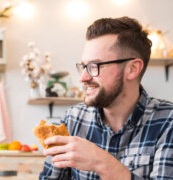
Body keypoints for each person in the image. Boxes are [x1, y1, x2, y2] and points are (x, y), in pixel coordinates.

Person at [40, 16, 173, 179]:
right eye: (83, 66)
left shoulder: (168, 122)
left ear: (132, 69)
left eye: (94, 66)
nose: (83, 78)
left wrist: (101, 162)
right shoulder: (73, 119)